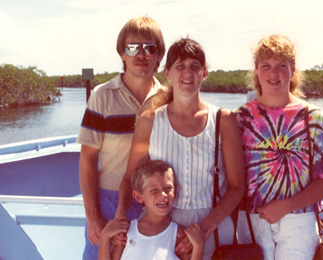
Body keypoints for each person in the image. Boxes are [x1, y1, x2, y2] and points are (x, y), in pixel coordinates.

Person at [115, 37, 245, 259]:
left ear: (204, 73)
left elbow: (237, 186)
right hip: (160, 228)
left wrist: (204, 229)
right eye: (180, 66)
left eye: (195, 67)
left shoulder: (224, 120)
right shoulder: (149, 121)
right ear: (167, 73)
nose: (188, 73)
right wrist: (119, 220)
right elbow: (130, 177)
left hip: (213, 228)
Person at [234, 34, 323, 260]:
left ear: (293, 69)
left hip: (299, 223)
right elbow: (231, 177)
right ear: (256, 69)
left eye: (281, 66)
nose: (273, 73)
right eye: (266, 65)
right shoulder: (241, 118)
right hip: (251, 222)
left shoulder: (313, 118)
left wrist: (286, 205)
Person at [77, 16, 166, 260]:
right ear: (122, 54)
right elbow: (87, 160)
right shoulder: (102, 96)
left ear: (159, 56)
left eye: (150, 48)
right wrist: (93, 216)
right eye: (132, 47)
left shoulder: (168, 99)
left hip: (156, 201)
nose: (142, 54)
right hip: (109, 198)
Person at [98, 160, 208, 260]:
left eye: (168, 189)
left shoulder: (179, 235)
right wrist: (104, 238)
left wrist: (199, 246)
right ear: (138, 196)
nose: (163, 195)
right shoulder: (125, 234)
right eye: (154, 190)